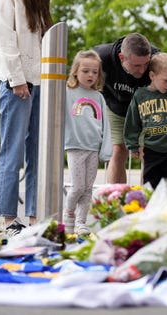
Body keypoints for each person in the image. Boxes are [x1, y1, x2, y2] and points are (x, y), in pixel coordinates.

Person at [0, 0, 61, 236]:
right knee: (13, 152)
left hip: (40, 81)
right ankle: (6, 219)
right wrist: (18, 80)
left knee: (37, 153)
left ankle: (34, 216)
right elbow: (5, 39)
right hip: (16, 82)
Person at [93, 33, 167, 184]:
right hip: (117, 108)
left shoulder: (157, 59)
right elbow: (81, 74)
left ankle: (146, 199)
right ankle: (116, 198)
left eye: (145, 64)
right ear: (122, 58)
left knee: (147, 153)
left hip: (146, 110)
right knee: (118, 150)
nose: (142, 70)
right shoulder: (102, 57)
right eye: (136, 65)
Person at [123, 52, 167, 189]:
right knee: (150, 187)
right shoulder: (140, 95)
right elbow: (132, 121)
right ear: (152, 75)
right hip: (151, 151)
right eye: (166, 80)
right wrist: (133, 144)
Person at [63, 50, 112, 235]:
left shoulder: (98, 97)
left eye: (94, 71)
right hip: (75, 147)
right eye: (85, 71)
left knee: (88, 189)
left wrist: (105, 149)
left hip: (93, 148)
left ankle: (81, 222)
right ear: (75, 71)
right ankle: (68, 217)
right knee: (77, 187)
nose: (90, 75)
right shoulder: (67, 92)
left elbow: (105, 124)